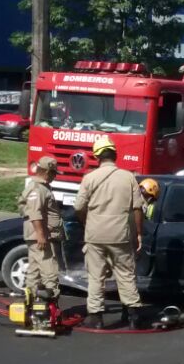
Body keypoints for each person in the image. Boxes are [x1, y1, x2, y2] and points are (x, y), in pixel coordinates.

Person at [73, 135, 145, 329]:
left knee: (96, 277)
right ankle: (133, 316)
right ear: (115, 155)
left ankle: (96, 318)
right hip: (121, 234)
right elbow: (138, 208)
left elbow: (78, 207)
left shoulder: (89, 178)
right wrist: (139, 233)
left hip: (95, 235)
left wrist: (86, 222)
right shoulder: (128, 177)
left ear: (97, 157)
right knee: (125, 275)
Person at [18, 156, 64, 329]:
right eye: (53, 173)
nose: (55, 177)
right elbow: (35, 213)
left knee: (34, 273)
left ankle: (31, 311)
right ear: (46, 172)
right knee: (49, 272)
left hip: (39, 236)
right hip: (42, 237)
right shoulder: (38, 189)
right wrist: (41, 235)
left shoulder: (39, 188)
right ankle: (48, 311)